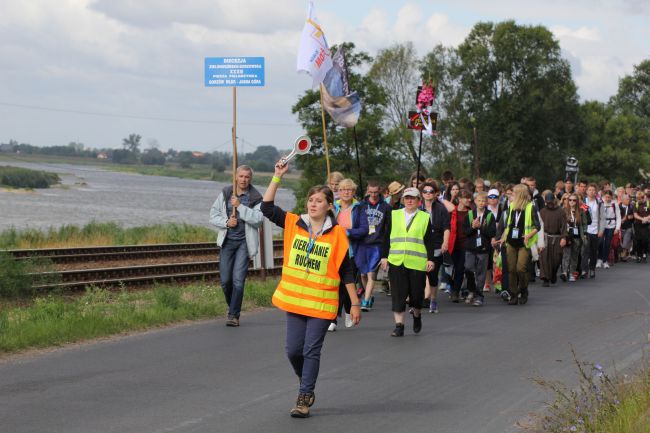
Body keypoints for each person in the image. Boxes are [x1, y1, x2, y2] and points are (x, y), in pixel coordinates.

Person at [261, 160, 361, 418]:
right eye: (310, 200)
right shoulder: (295, 223)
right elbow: (267, 207)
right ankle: (305, 379)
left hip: (322, 304)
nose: (313, 204)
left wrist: (355, 304)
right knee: (293, 351)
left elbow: (346, 271)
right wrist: (277, 177)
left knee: (310, 350)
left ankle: (304, 396)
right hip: (295, 300)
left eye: (318, 200)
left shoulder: (338, 234)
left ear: (330, 205)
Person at [209, 165, 264, 327]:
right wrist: (227, 222)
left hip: (244, 243)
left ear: (250, 179)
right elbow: (213, 215)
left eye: (247, 177)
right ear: (236, 177)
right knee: (226, 281)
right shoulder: (226, 193)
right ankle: (232, 305)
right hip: (227, 242)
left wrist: (240, 206)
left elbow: (258, 219)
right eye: (241, 176)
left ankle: (234, 315)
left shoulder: (255, 197)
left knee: (238, 281)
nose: (244, 179)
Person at [381, 187, 435, 337]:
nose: (409, 200)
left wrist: (430, 259)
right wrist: (384, 256)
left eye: (413, 198)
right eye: (407, 198)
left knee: (417, 295)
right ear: (403, 200)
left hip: (417, 262)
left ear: (419, 201)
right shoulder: (394, 215)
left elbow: (429, 241)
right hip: (397, 260)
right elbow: (386, 237)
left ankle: (417, 315)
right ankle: (399, 326)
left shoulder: (424, 217)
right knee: (398, 294)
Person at [329, 178, 368, 331]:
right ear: (338, 191)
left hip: (351, 252)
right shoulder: (333, 207)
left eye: (349, 189)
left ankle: (347, 311)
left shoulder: (359, 208)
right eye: (343, 189)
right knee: (334, 286)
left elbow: (364, 229)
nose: (346, 192)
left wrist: (346, 232)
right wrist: (330, 214)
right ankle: (332, 318)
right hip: (334, 252)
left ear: (353, 192)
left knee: (346, 286)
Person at [499, 184, 541, 305]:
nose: (512, 195)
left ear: (520, 195)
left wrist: (528, 235)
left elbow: (538, 226)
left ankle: (523, 290)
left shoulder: (530, 207)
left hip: (524, 243)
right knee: (511, 269)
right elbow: (508, 225)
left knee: (520, 268)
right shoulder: (511, 206)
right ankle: (513, 294)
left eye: (514, 193)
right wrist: (503, 237)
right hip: (511, 242)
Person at [357, 181, 391, 311]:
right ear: (367, 191)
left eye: (376, 192)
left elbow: (388, 228)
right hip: (363, 243)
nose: (373, 195)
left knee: (371, 274)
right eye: (371, 192)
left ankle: (365, 301)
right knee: (363, 275)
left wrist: (386, 249)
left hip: (377, 244)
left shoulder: (385, 207)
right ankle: (369, 295)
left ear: (380, 191)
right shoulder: (361, 205)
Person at [419, 181, 450, 313]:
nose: (428, 194)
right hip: (421, 245)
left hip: (437, 244)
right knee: (420, 274)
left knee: (432, 275)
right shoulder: (418, 209)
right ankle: (419, 301)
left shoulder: (441, 208)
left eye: (431, 191)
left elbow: (447, 228)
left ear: (436, 193)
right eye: (425, 191)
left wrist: (445, 242)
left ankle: (433, 299)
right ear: (421, 194)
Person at [463, 191, 496, 306]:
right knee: (468, 268)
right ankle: (472, 289)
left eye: (483, 201)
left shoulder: (489, 215)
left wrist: (481, 226)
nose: (481, 203)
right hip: (471, 248)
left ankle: (479, 295)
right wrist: (473, 227)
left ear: (487, 202)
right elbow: (465, 232)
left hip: (483, 248)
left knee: (481, 273)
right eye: (479, 200)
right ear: (475, 201)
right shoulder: (470, 214)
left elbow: (492, 232)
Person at [538, 191, 567, 286]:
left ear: (554, 201)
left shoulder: (560, 211)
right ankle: (545, 278)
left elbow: (564, 226)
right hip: (545, 237)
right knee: (544, 258)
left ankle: (553, 273)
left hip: (557, 237)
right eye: (547, 202)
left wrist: (564, 237)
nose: (549, 204)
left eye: (551, 202)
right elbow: (539, 226)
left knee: (556, 259)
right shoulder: (542, 212)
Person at [560, 194, 590, 282]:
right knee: (566, 255)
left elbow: (585, 223)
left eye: (574, 200)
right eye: (570, 200)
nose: (572, 202)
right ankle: (564, 272)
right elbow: (561, 224)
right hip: (567, 236)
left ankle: (572, 273)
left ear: (577, 202)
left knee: (575, 255)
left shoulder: (581, 211)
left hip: (577, 237)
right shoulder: (564, 211)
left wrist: (584, 233)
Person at [582, 183, 606, 278]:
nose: (591, 192)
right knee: (585, 250)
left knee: (593, 251)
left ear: (595, 192)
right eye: (590, 190)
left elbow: (602, 218)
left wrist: (601, 230)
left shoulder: (599, 203)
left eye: (593, 190)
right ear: (587, 191)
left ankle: (592, 268)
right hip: (585, 230)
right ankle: (584, 270)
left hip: (596, 230)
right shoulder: (584, 202)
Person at [597, 190, 620, 268]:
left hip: (611, 225)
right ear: (603, 196)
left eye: (609, 197)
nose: (607, 198)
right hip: (601, 225)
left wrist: (617, 228)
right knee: (600, 242)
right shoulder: (600, 203)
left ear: (611, 197)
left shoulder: (614, 204)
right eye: (606, 197)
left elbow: (618, 217)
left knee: (607, 243)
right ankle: (599, 259)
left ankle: (605, 260)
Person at [633, 190, 650, 263]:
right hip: (638, 225)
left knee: (645, 240)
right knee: (638, 240)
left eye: (640, 198)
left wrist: (647, 218)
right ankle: (639, 255)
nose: (638, 200)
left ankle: (644, 254)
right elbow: (635, 215)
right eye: (637, 198)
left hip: (646, 225)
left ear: (643, 198)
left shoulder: (648, 204)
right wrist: (642, 218)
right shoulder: (635, 204)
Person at [619, 194, 635, 261]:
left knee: (626, 240)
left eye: (629, 199)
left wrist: (631, 216)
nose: (629, 200)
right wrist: (621, 220)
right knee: (619, 242)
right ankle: (620, 254)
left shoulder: (631, 206)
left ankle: (623, 255)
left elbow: (635, 214)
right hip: (619, 227)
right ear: (622, 200)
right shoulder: (618, 207)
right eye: (627, 199)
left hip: (628, 226)